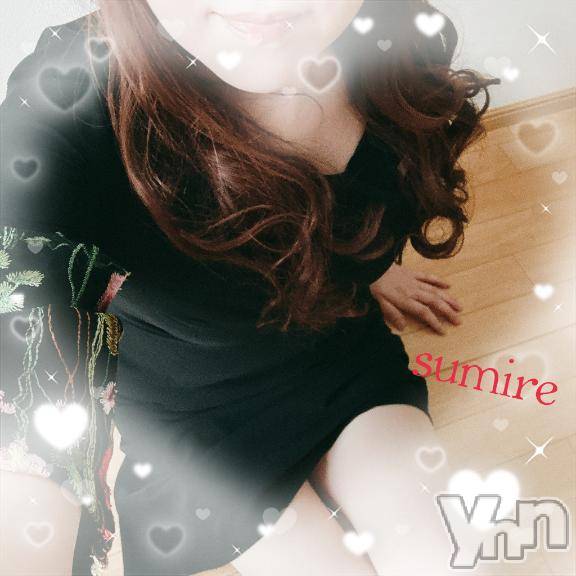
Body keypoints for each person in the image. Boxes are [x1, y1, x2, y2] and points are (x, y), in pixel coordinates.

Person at [0, 1, 500, 575]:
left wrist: (369, 262)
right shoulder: (72, 87)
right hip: (194, 423)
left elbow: (364, 185)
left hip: (337, 354)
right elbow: (17, 288)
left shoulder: (403, 41)